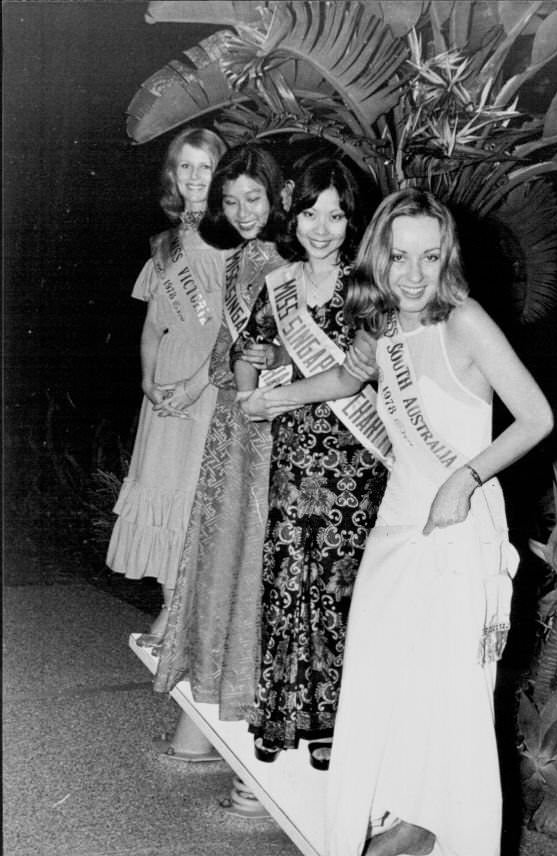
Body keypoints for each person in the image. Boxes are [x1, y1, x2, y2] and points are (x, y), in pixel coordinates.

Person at [247, 188, 554, 856]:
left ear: (446, 256)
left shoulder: (466, 323)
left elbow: (536, 417)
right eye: (400, 255)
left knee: (461, 715)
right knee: (389, 680)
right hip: (397, 529)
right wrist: (283, 393)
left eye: (429, 255)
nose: (414, 273)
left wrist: (465, 476)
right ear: (378, 255)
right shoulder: (383, 322)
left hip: (461, 531)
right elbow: (349, 375)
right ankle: (417, 818)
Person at [233, 158, 389, 759]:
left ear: (351, 221)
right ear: (292, 214)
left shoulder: (366, 283)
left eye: (336, 214)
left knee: (337, 585)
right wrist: (250, 383)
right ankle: (280, 715)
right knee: (288, 575)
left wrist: (273, 396)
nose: (320, 228)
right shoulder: (280, 281)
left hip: (354, 456)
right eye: (310, 213)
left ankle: (332, 724)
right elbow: (249, 347)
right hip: (296, 453)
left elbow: (354, 376)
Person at [154, 142, 292, 726]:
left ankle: (245, 696)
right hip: (232, 425)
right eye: (230, 201)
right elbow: (223, 354)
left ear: (278, 196)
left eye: (253, 198)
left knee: (255, 553)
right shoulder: (237, 259)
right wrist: (204, 381)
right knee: (225, 550)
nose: (242, 211)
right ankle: (215, 690)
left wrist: (275, 356)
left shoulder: (293, 259)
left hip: (274, 424)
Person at [106, 127, 227, 646]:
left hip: (211, 388)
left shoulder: (240, 244)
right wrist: (150, 381)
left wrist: (196, 385)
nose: (195, 177)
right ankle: (170, 609)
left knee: (192, 499)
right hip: (164, 393)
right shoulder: (165, 246)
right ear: (173, 175)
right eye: (186, 167)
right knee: (160, 494)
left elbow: (236, 332)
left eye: (206, 167)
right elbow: (153, 327)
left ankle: (181, 618)